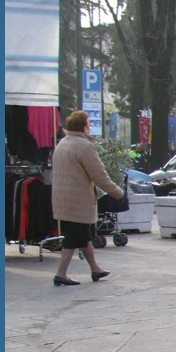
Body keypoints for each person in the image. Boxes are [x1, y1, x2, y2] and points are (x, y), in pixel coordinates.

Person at [51, 110, 124, 286]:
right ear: (84, 127)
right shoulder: (84, 146)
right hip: (78, 200)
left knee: (81, 236)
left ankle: (95, 269)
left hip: (62, 198)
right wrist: (117, 192)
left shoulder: (62, 144)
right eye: (89, 124)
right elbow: (99, 174)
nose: (90, 127)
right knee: (73, 238)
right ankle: (61, 273)